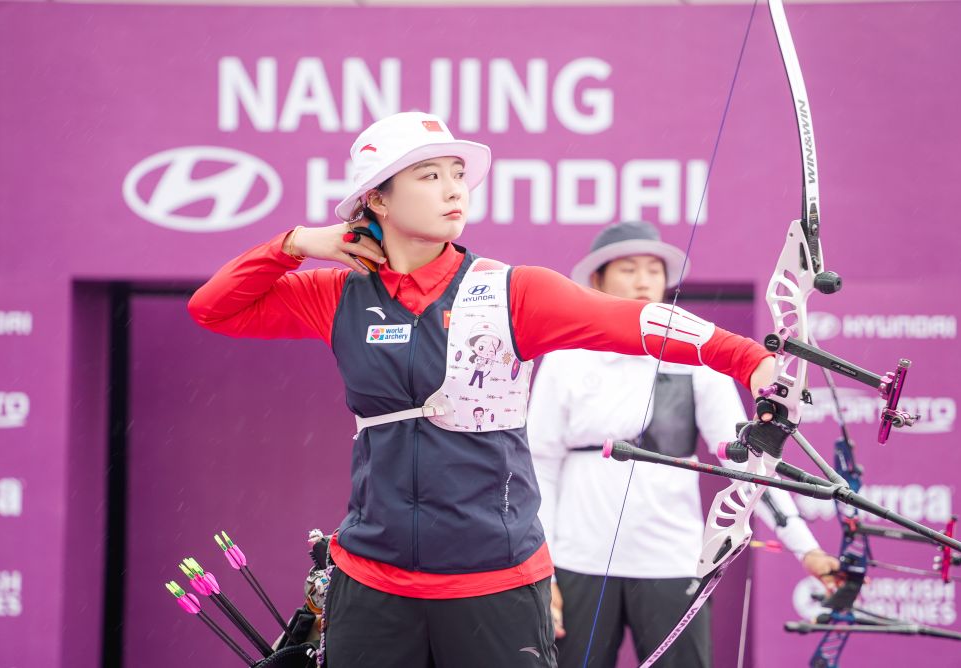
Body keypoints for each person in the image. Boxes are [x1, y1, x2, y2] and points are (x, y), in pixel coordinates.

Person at [187, 112, 780, 668]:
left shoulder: (511, 291)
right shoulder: (337, 295)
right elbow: (213, 309)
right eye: (429, 176)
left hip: (495, 581)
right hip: (372, 581)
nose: (454, 189)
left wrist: (750, 361)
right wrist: (294, 244)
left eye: (457, 174)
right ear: (377, 199)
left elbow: (635, 321)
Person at [527, 221, 840, 668]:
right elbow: (539, 466)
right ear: (597, 280)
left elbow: (751, 462)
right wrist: (544, 571)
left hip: (672, 561)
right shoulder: (566, 358)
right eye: (628, 269)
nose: (642, 281)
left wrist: (805, 548)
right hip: (578, 562)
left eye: (653, 270)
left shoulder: (694, 356)